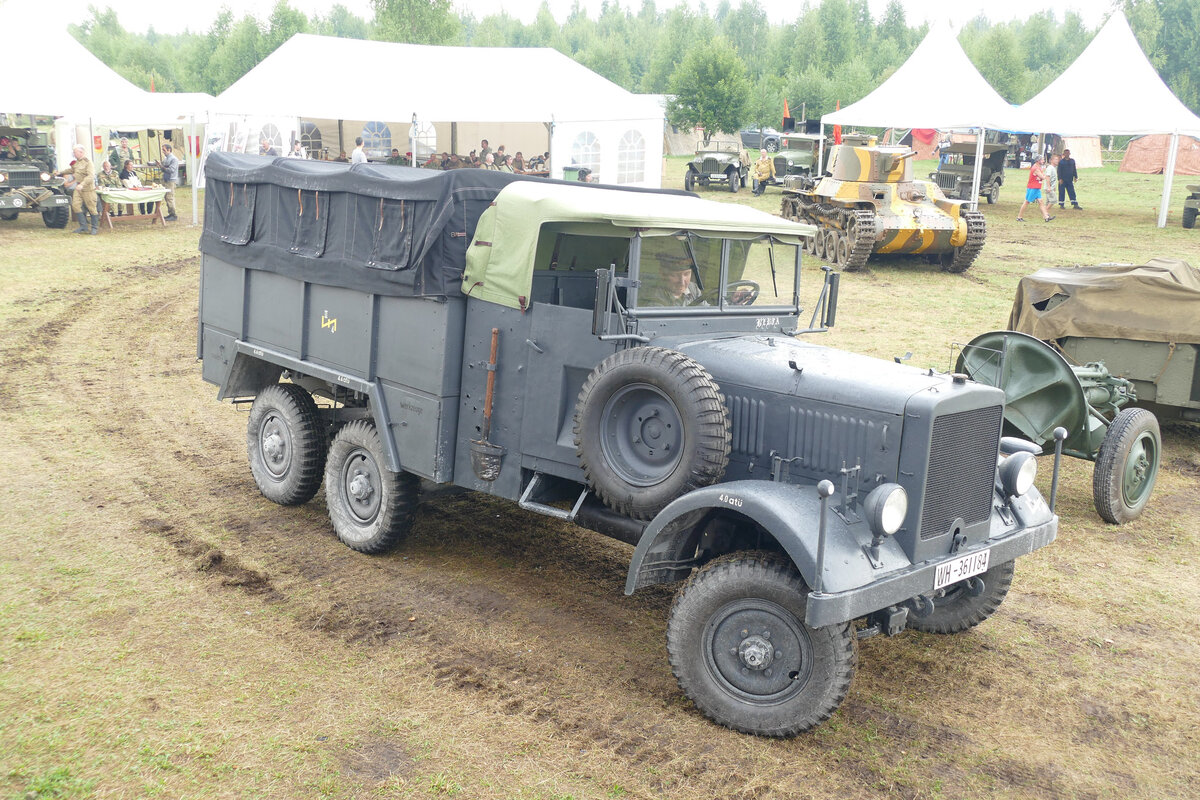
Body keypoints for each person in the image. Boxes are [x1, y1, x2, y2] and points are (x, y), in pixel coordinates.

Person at [57, 144, 98, 234]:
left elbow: (91, 176)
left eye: (75, 152)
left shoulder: (88, 162)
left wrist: (82, 184)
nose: (74, 153)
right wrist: (60, 172)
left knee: (91, 208)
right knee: (75, 205)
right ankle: (83, 226)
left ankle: (94, 227)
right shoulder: (77, 162)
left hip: (87, 188)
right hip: (78, 188)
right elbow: (71, 170)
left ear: (81, 152)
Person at [1017, 155, 1054, 223]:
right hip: (1033, 187)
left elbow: (1041, 175)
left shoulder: (1038, 167)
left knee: (1041, 202)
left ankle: (1046, 217)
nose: (1043, 161)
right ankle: (1019, 217)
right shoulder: (1036, 168)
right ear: (1038, 161)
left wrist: (1042, 175)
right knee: (1027, 202)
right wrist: (1046, 175)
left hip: (1036, 187)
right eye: (1042, 160)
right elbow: (1043, 177)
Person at [159, 142, 179, 222]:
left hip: (171, 180)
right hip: (166, 179)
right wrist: (159, 165)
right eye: (162, 150)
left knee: (170, 197)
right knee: (166, 197)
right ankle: (170, 213)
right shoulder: (166, 158)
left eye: (164, 150)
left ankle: (173, 215)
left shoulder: (174, 159)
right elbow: (163, 167)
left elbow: (171, 170)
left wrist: (162, 167)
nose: (163, 152)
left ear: (169, 150)